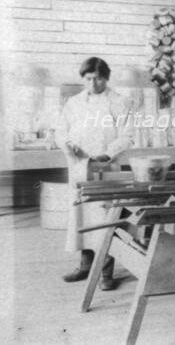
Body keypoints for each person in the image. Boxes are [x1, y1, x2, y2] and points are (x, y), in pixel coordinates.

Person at [56, 57, 134, 290]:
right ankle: (85, 265)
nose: (93, 83)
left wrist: (107, 154)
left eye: (99, 78)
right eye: (89, 78)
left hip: (106, 167)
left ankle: (106, 272)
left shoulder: (119, 102)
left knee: (104, 217)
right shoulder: (74, 103)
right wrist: (68, 145)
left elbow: (127, 136)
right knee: (81, 214)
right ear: (83, 78)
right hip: (80, 167)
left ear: (106, 78)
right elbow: (61, 132)